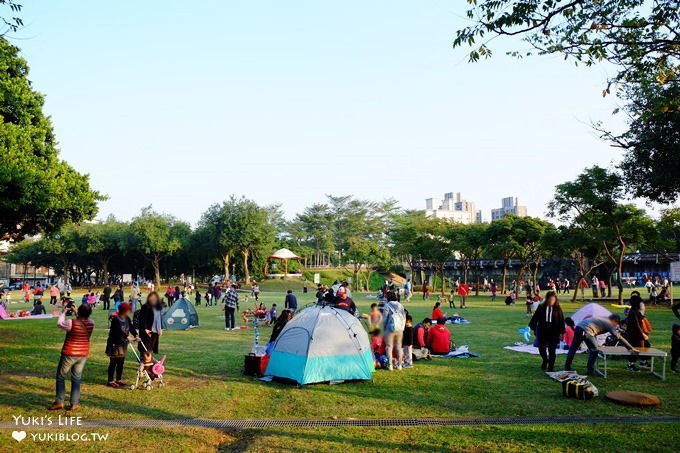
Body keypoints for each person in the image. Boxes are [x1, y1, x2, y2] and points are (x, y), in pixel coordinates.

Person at [49, 303, 94, 411]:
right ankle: (74, 403)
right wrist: (76, 312)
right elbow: (82, 320)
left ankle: (59, 401)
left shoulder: (71, 322)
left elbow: (60, 324)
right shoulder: (91, 323)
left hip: (69, 353)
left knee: (61, 377)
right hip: (82, 354)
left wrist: (63, 313)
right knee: (76, 378)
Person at [564, 314, 638, 377]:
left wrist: (595, 343)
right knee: (595, 350)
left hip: (579, 327)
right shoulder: (609, 324)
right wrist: (630, 348)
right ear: (614, 320)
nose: (616, 325)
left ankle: (567, 368)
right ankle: (590, 371)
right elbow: (619, 337)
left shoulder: (602, 319)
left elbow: (594, 329)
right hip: (587, 331)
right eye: (617, 323)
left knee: (573, 349)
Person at [528, 291, 565, 372]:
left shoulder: (558, 309)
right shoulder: (541, 307)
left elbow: (561, 321)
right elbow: (535, 317)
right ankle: (545, 360)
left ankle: (551, 367)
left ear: (555, 300)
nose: (551, 301)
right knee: (541, 348)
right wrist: (531, 326)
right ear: (547, 299)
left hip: (554, 332)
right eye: (550, 299)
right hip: (542, 331)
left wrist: (561, 332)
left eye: (553, 300)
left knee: (552, 350)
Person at [105, 302, 139, 388]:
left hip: (123, 343)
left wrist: (136, 335)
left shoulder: (127, 318)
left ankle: (119, 379)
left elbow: (131, 327)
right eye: (128, 310)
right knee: (113, 362)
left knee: (121, 362)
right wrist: (127, 336)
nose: (129, 312)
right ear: (124, 311)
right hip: (114, 343)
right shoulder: (115, 319)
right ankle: (110, 380)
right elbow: (118, 331)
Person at [624, 294, 649, 372]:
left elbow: (640, 317)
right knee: (636, 350)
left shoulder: (635, 310)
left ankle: (641, 362)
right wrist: (643, 334)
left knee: (643, 348)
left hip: (636, 334)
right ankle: (631, 364)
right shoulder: (633, 312)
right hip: (635, 335)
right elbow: (636, 325)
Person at [382, 292, 406, 370]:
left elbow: (385, 319)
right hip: (399, 329)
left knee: (389, 346)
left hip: (390, 329)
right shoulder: (400, 305)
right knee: (399, 346)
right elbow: (404, 317)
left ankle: (390, 365)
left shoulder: (387, 306)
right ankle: (399, 364)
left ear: (388, 298)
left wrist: (384, 328)